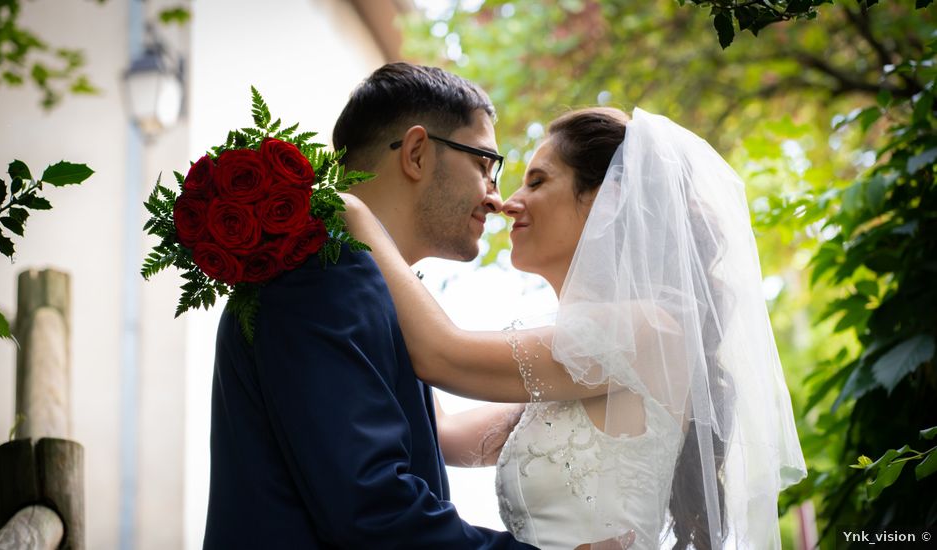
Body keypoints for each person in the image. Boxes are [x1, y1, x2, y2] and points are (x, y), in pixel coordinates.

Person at [343, 107, 807, 549]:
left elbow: (444, 355)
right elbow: (442, 434)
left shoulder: (647, 330)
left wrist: (357, 215)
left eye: (538, 181)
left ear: (608, 199)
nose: (508, 202)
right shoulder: (577, 372)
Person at [203, 62, 537, 549]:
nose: (496, 197)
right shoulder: (324, 275)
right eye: (485, 165)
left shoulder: (355, 278)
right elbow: (373, 510)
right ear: (417, 153)